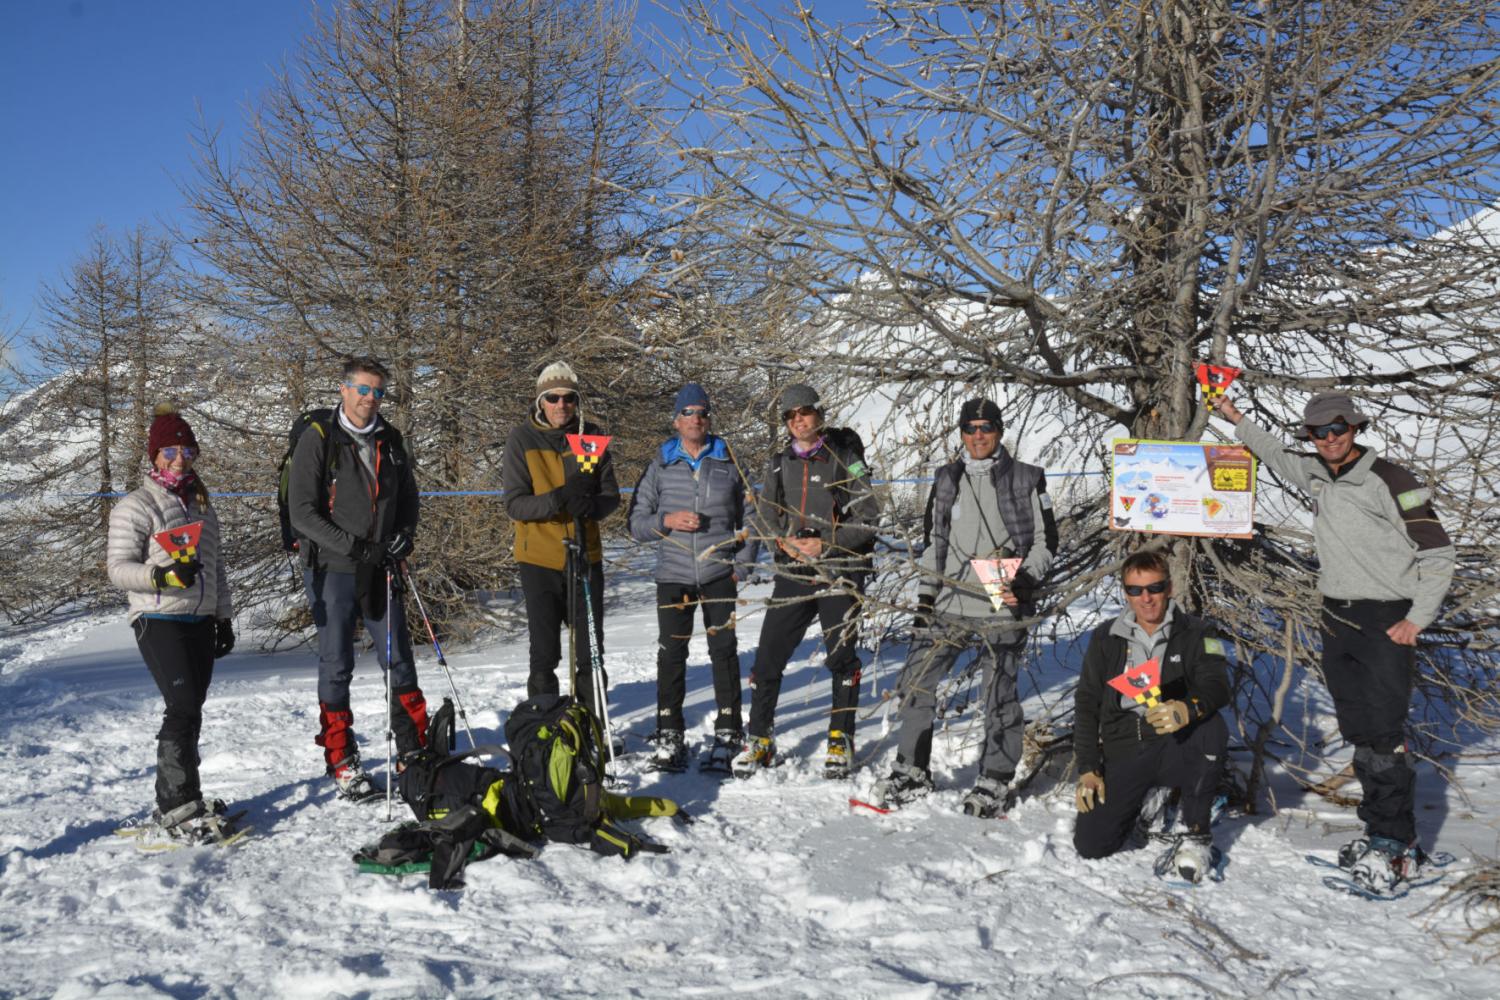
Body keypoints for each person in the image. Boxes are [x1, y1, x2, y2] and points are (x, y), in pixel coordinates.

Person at [1213, 389, 1455, 891]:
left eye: (1337, 430)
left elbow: (1437, 552)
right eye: (1319, 433)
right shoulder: (1319, 472)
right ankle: (1378, 831)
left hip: (1386, 617)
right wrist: (1235, 418)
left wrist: (1417, 618)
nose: (1328, 439)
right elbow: (1277, 456)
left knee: (1385, 732)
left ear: (1355, 428)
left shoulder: (1390, 479)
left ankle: (1397, 843)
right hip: (1336, 614)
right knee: (1360, 728)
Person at [872, 399, 1058, 816]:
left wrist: (1024, 582)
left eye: (986, 428)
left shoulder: (1026, 479)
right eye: (970, 428)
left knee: (999, 695)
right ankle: (912, 770)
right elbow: (933, 542)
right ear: (961, 433)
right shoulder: (946, 478)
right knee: (917, 682)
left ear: (999, 431)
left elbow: (1047, 542)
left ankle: (994, 776)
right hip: (948, 603)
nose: (978, 436)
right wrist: (925, 597)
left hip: (1000, 604)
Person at [287, 357, 429, 802]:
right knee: (337, 663)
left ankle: (412, 751)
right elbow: (302, 513)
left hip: (380, 565)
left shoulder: (391, 438)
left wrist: (404, 534)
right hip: (332, 569)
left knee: (399, 659)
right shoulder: (320, 439)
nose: (370, 399)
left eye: (378, 392)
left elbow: (408, 496)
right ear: (344, 390)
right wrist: (354, 547)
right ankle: (342, 759)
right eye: (363, 390)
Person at [106, 404, 239, 843]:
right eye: (169, 451)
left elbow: (216, 566)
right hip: (157, 617)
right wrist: (159, 575)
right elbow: (118, 568)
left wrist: (223, 618)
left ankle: (184, 797)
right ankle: (176, 805)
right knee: (182, 705)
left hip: (200, 618)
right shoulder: (136, 505)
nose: (179, 459)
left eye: (186, 450)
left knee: (191, 710)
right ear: (154, 456)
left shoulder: (201, 504)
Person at [735, 383, 879, 779]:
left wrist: (826, 544)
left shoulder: (844, 458)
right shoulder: (779, 463)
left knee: (841, 657)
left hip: (839, 571)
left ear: (819, 414)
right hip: (794, 572)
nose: (798, 420)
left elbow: (868, 517)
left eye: (805, 412)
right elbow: (765, 515)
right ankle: (760, 738)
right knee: (767, 657)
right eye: (790, 415)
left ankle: (840, 738)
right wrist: (781, 540)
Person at [1070, 551, 1231, 882]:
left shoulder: (1199, 632)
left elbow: (1217, 686)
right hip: (1127, 749)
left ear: (1169, 588)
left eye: (1154, 588)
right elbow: (1087, 702)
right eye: (1135, 590)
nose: (1146, 598)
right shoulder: (1106, 638)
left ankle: (1195, 832)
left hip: (1176, 743)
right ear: (1125, 593)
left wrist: (1187, 708)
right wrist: (1088, 767)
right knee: (1092, 845)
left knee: (1212, 727)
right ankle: (1151, 801)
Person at [627, 383, 751, 773]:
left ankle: (729, 731)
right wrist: (667, 521)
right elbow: (636, 523)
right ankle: (669, 732)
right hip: (674, 575)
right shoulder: (660, 465)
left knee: (724, 652)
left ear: (709, 419)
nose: (695, 419)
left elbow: (751, 517)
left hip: (718, 572)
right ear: (676, 420)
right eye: (688, 413)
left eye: (702, 412)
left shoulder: (728, 460)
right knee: (672, 654)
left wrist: (741, 567)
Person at [502, 361, 621, 718]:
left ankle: (592, 724)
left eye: (569, 398)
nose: (561, 405)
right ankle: (546, 725)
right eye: (552, 398)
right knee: (544, 652)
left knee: (589, 650)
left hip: (585, 556)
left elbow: (611, 496)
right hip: (539, 558)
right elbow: (516, 504)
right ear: (541, 401)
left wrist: (592, 505)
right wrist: (559, 497)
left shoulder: (590, 436)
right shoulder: (521, 438)